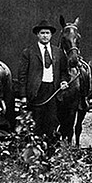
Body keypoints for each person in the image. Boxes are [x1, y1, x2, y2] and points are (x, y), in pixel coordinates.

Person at [17, 20, 69, 148]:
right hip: (36, 93)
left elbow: (64, 71)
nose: (45, 35)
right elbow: (22, 75)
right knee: (36, 123)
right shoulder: (28, 52)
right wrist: (23, 96)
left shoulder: (58, 52)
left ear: (51, 35)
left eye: (47, 33)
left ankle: (50, 153)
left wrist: (63, 81)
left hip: (53, 91)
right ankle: (35, 154)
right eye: (42, 33)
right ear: (37, 35)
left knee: (51, 122)